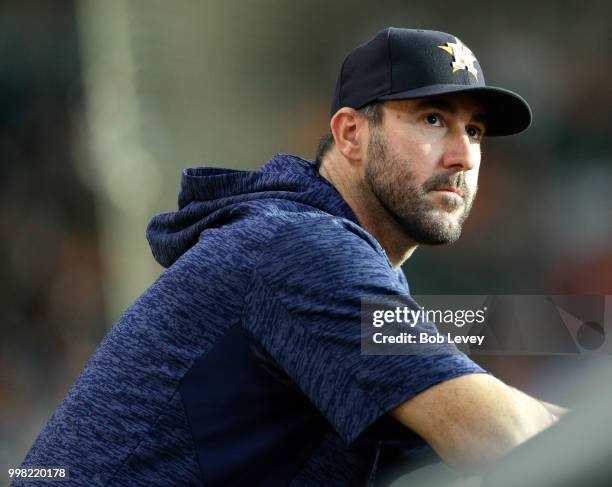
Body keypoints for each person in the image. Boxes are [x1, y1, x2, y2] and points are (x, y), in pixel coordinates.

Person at [19, 27, 565, 486]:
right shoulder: (302, 250)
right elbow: (503, 438)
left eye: (474, 131)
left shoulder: (320, 257)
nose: (461, 155)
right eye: (431, 119)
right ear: (351, 134)